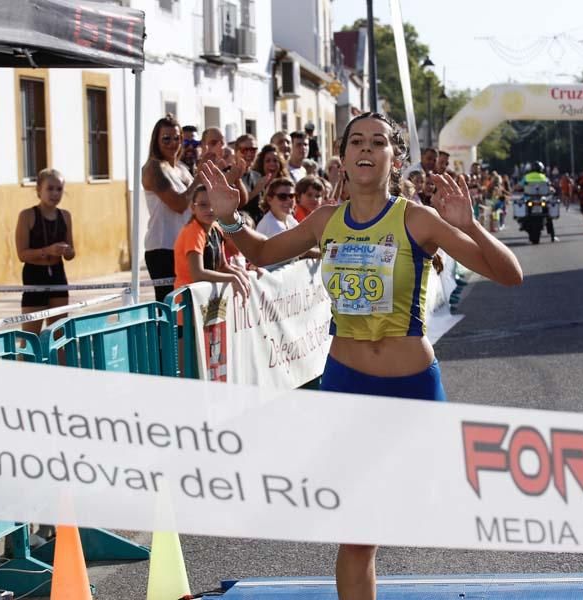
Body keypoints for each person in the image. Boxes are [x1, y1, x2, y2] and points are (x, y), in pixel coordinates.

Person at [197, 112, 522, 600]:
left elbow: (509, 274)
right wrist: (227, 219)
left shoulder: (416, 218)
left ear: (394, 157)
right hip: (347, 386)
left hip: (411, 391)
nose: (366, 148)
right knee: (356, 536)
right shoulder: (326, 220)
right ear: (344, 156)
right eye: (356, 142)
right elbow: (263, 253)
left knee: (419, 511)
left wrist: (471, 225)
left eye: (378, 141)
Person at [142, 115, 200, 301]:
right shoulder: (153, 168)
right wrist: (199, 178)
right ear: (156, 141)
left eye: (177, 138)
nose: (172, 143)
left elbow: (198, 201)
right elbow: (179, 204)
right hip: (162, 247)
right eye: (166, 138)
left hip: (184, 245)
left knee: (188, 305)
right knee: (170, 307)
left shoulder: (181, 168)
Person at [14, 168, 75, 335]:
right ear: (38, 190)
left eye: (59, 189)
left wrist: (67, 251)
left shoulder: (65, 216)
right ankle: (26, 363)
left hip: (57, 274)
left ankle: (59, 362)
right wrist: (47, 251)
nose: (55, 193)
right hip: (34, 276)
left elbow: (71, 253)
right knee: (30, 337)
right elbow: (22, 254)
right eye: (50, 188)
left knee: (59, 336)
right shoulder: (26, 215)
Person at [173, 184, 249, 296]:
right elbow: (198, 274)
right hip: (189, 301)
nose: (210, 209)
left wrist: (239, 273)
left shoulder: (217, 228)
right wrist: (233, 278)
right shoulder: (193, 232)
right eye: (203, 205)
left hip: (207, 297)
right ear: (193, 208)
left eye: (214, 203)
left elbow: (222, 266)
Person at [245, 145, 289, 225]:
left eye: (275, 161)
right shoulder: (254, 182)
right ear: (262, 164)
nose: (272, 164)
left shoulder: (286, 185)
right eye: (268, 161)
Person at [523, 161, 557, 242]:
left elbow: (519, 186)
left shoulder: (527, 177)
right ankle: (552, 235)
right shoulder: (544, 177)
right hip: (542, 198)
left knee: (523, 213)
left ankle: (525, 225)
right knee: (548, 216)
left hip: (530, 198)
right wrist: (552, 190)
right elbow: (549, 187)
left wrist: (516, 189)